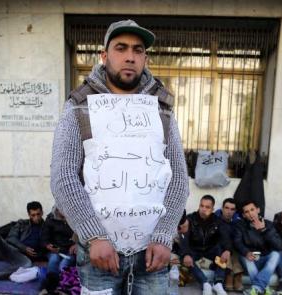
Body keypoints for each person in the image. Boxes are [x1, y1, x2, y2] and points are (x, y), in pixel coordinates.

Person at [50, 19, 189, 294]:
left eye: (138, 50)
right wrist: (93, 236)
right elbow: (63, 177)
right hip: (99, 255)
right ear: (104, 56)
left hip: (152, 254)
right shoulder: (79, 105)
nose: (130, 57)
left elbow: (179, 179)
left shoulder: (161, 109)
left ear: (145, 58)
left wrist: (163, 237)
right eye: (121, 48)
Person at [0, 201, 44, 282]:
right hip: (10, 250)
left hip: (23, 258)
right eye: (33, 215)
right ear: (29, 215)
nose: (36, 217)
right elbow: (11, 238)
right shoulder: (22, 223)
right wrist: (24, 248)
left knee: (28, 265)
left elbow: (46, 245)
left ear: (42, 213)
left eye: (38, 214)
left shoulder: (46, 227)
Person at [180, 195, 230, 295]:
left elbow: (225, 237)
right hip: (195, 249)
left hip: (210, 249)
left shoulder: (217, 220)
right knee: (186, 258)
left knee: (223, 252)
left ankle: (218, 283)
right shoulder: (190, 219)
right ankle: (205, 284)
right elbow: (184, 238)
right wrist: (186, 254)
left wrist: (228, 250)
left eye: (207, 207)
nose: (203, 209)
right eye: (202, 206)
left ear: (212, 209)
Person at [234, 201, 282, 295]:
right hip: (250, 259)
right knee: (244, 257)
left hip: (266, 260)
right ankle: (265, 289)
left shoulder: (269, 224)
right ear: (243, 215)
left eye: (252, 209)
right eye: (246, 212)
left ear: (258, 210)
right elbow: (237, 243)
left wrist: (263, 230)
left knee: (276, 253)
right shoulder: (240, 225)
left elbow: (279, 245)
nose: (250, 213)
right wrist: (246, 252)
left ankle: (256, 288)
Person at [40, 207, 76, 294]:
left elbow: (83, 236)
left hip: (70, 251)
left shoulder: (75, 219)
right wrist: (47, 245)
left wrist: (76, 245)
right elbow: (44, 238)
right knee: (53, 260)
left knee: (63, 265)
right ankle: (51, 287)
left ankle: (63, 287)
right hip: (56, 250)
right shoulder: (50, 220)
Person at [215, 198, 243, 291]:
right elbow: (220, 238)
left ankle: (236, 276)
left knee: (235, 249)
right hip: (217, 248)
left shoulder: (237, 222)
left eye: (232, 209)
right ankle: (230, 275)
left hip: (232, 249)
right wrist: (228, 249)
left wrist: (229, 249)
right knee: (227, 250)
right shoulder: (215, 219)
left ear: (235, 211)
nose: (229, 211)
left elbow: (237, 239)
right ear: (222, 208)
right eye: (226, 208)